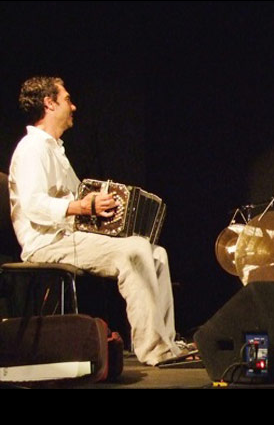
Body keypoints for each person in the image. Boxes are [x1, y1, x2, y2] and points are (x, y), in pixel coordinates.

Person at [8, 76, 192, 366]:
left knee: (156, 253)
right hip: (46, 243)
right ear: (49, 103)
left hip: (67, 237)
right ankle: (153, 349)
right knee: (134, 251)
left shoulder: (54, 150)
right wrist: (81, 206)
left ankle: (167, 342)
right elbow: (33, 205)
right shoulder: (32, 148)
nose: (73, 106)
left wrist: (96, 204)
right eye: (67, 99)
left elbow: (76, 198)